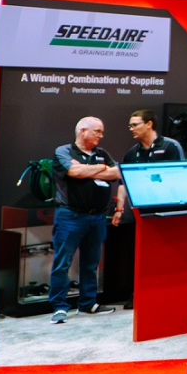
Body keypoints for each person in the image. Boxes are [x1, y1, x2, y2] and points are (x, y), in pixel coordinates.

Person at [49, 117, 121, 324]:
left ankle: (88, 303)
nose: (101, 135)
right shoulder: (63, 152)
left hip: (96, 217)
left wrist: (89, 170)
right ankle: (59, 306)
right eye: (97, 131)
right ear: (83, 131)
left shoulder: (101, 154)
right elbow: (74, 171)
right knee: (63, 263)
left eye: (101, 132)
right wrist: (100, 169)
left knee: (91, 263)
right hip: (70, 216)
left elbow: (117, 171)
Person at [111, 109, 186, 308]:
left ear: (149, 124)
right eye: (130, 125)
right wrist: (119, 210)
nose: (131, 129)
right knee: (141, 255)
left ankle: (167, 293)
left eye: (135, 124)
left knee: (167, 254)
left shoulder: (170, 146)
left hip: (167, 213)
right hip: (141, 214)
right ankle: (140, 294)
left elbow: (179, 177)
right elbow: (123, 184)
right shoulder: (132, 152)